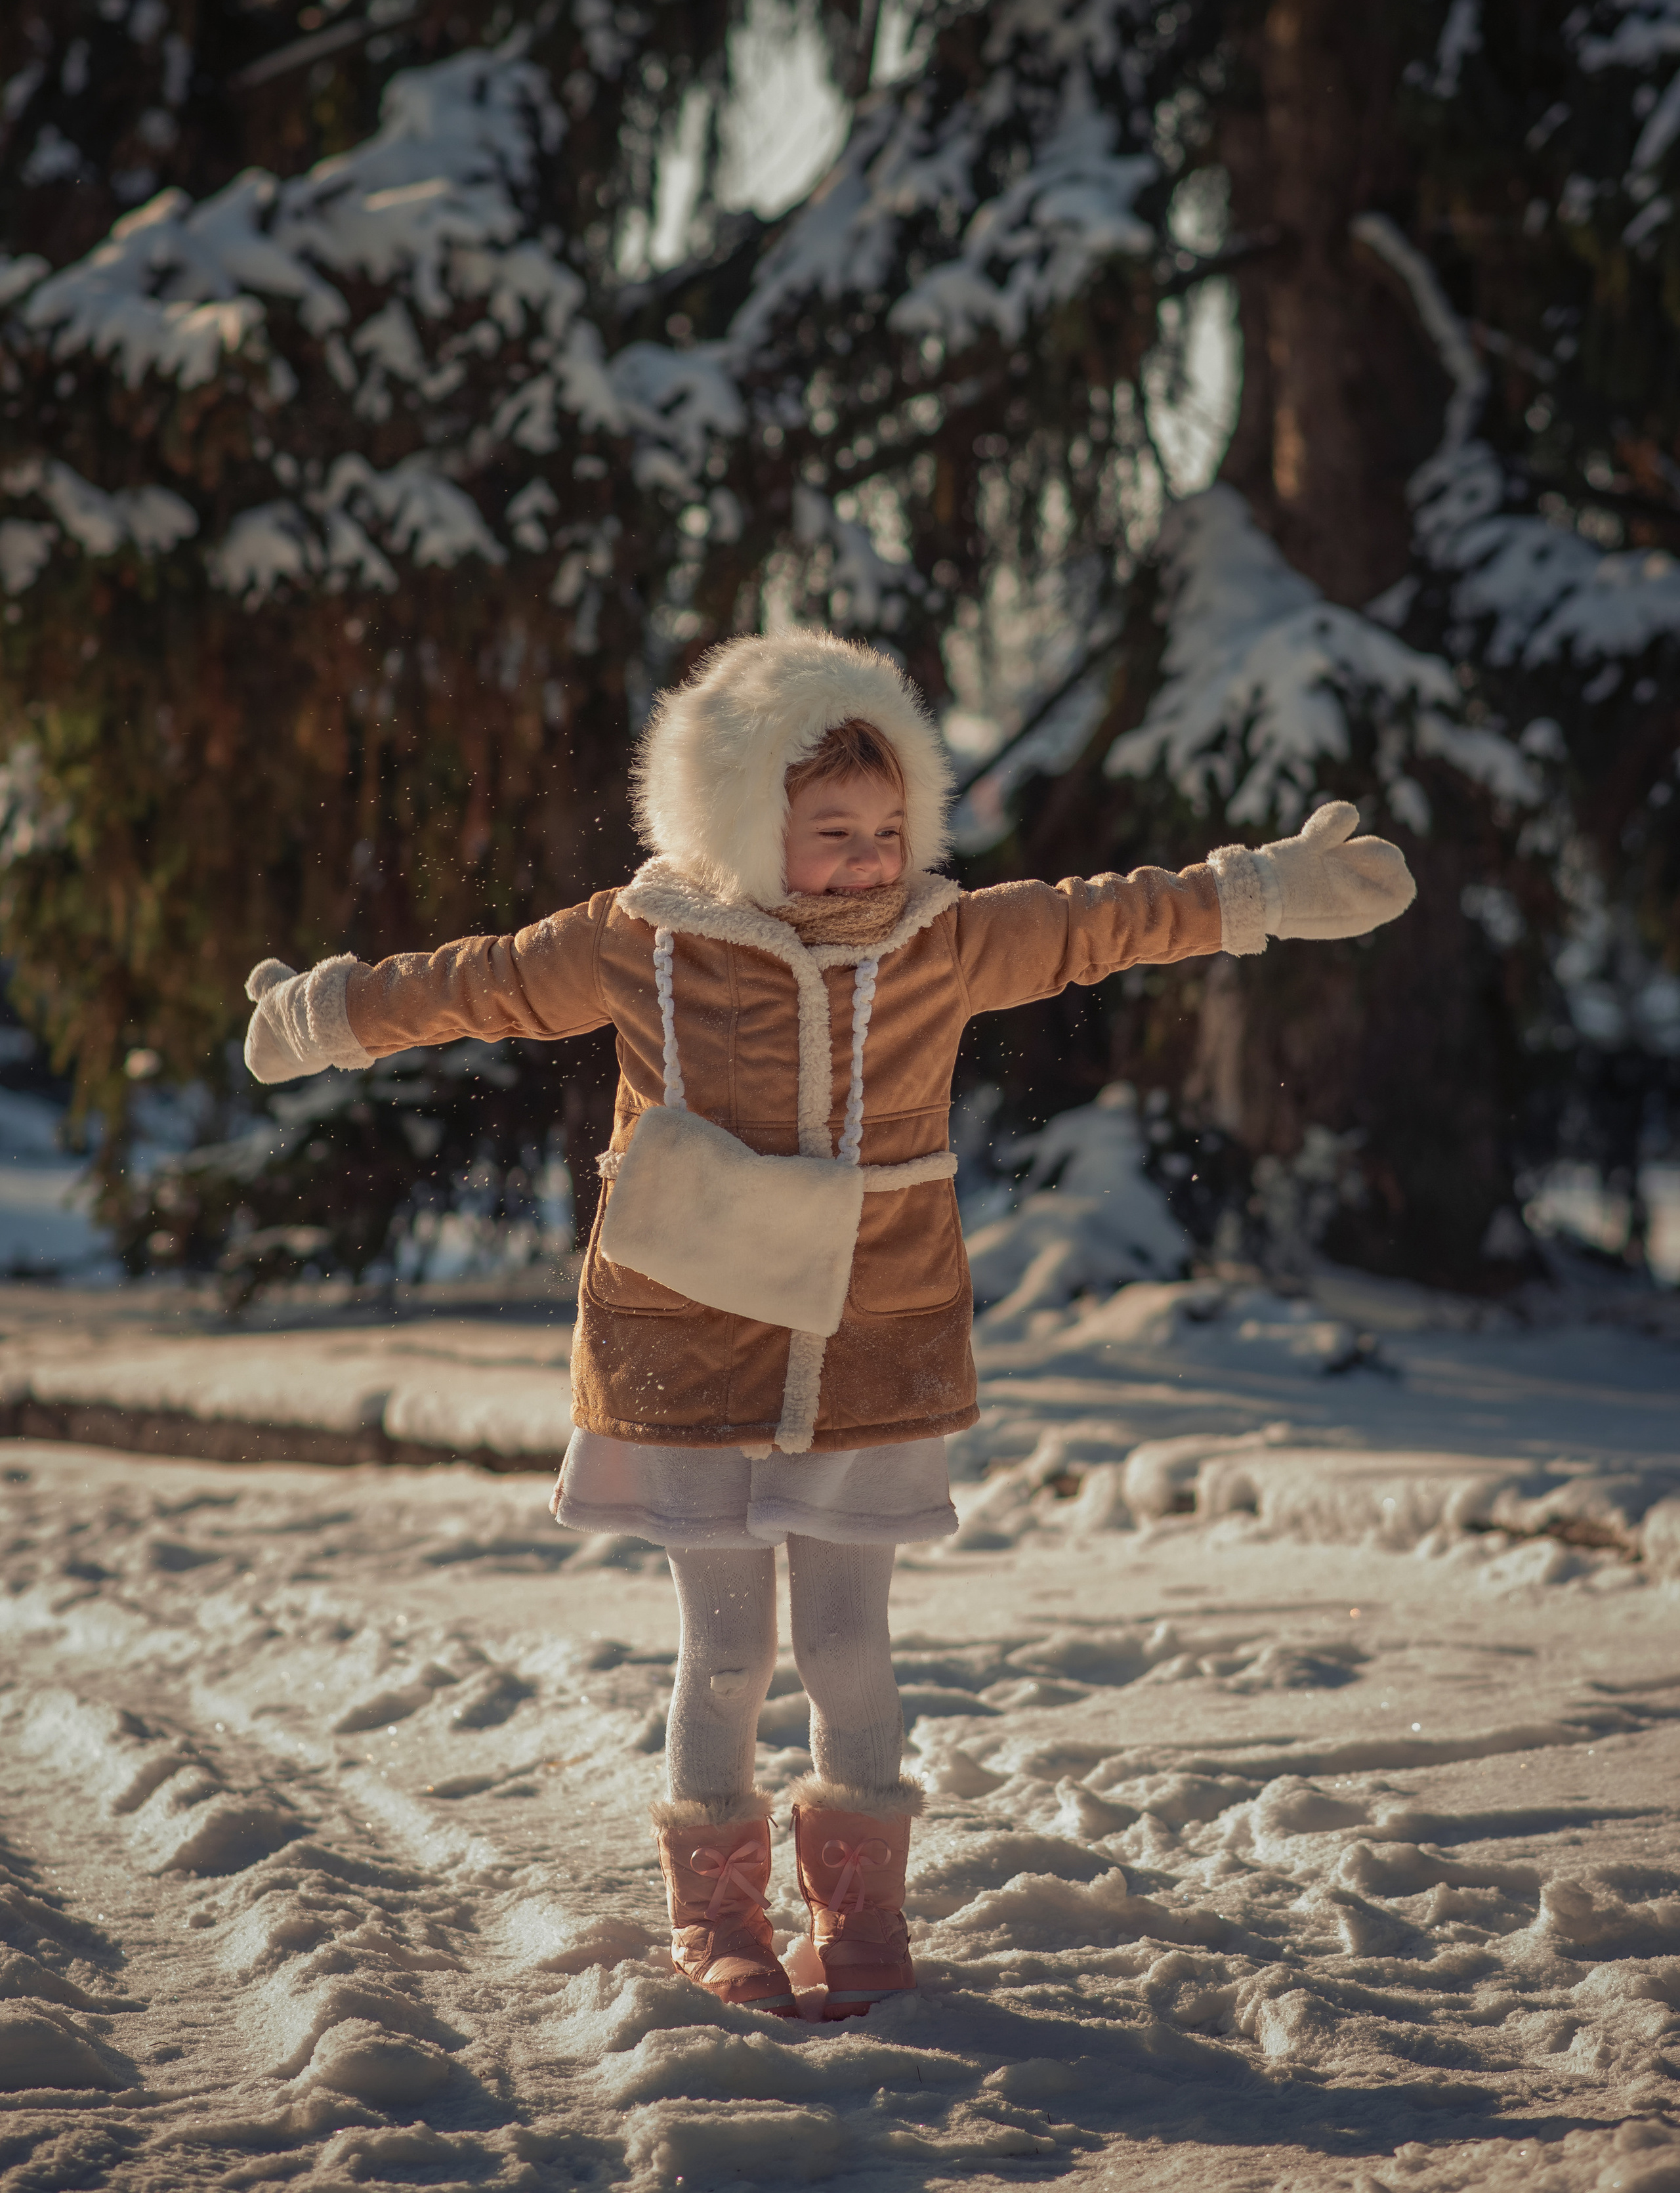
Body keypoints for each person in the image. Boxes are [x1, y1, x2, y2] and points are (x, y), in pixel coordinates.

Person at [242, 629, 1414, 2022]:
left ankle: (862, 1915)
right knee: (727, 1648)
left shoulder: (943, 937)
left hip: (873, 1338)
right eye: (828, 832)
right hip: (691, 1339)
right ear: (739, 826)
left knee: (851, 1646)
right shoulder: (644, 940)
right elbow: (478, 980)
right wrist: (325, 1012)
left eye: (886, 827)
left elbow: (1105, 917)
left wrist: (1260, 890)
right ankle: (718, 1913)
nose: (866, 858)